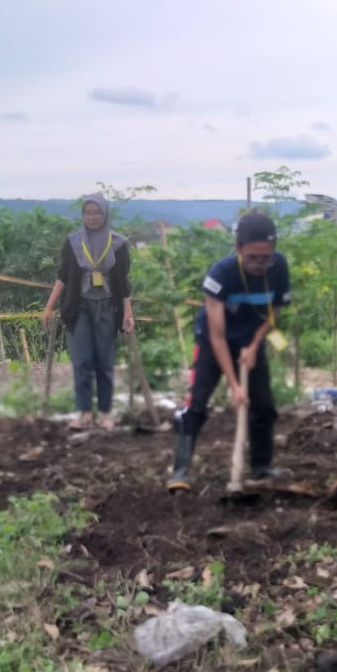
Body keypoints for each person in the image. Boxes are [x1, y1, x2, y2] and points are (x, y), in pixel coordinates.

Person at [166, 212, 292, 492]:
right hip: (214, 344)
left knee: (264, 406)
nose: (260, 264)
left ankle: (261, 467)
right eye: (252, 257)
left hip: (250, 342)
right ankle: (181, 470)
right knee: (196, 404)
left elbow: (272, 317)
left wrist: (254, 346)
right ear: (238, 249)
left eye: (266, 257)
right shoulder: (221, 275)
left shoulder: (279, 268)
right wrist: (234, 386)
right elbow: (217, 335)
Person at [42, 192, 135, 430]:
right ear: (83, 215)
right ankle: (84, 412)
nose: (92, 217)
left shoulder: (118, 244)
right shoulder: (73, 242)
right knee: (81, 361)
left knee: (104, 361)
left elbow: (123, 283)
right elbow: (63, 276)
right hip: (79, 307)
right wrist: (50, 306)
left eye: (97, 213)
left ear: (105, 215)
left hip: (107, 307)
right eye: (87, 213)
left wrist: (127, 312)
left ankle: (104, 413)